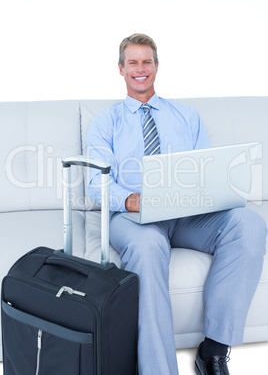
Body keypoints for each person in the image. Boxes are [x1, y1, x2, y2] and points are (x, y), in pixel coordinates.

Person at [86, 33, 267, 375]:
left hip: (185, 213)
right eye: (133, 62)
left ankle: (213, 350)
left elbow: (206, 169)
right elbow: (96, 183)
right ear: (121, 69)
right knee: (148, 244)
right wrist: (129, 197)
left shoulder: (185, 115)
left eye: (147, 61)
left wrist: (210, 192)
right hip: (133, 216)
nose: (141, 69)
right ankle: (157, 370)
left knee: (250, 224)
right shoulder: (106, 122)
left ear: (157, 66)